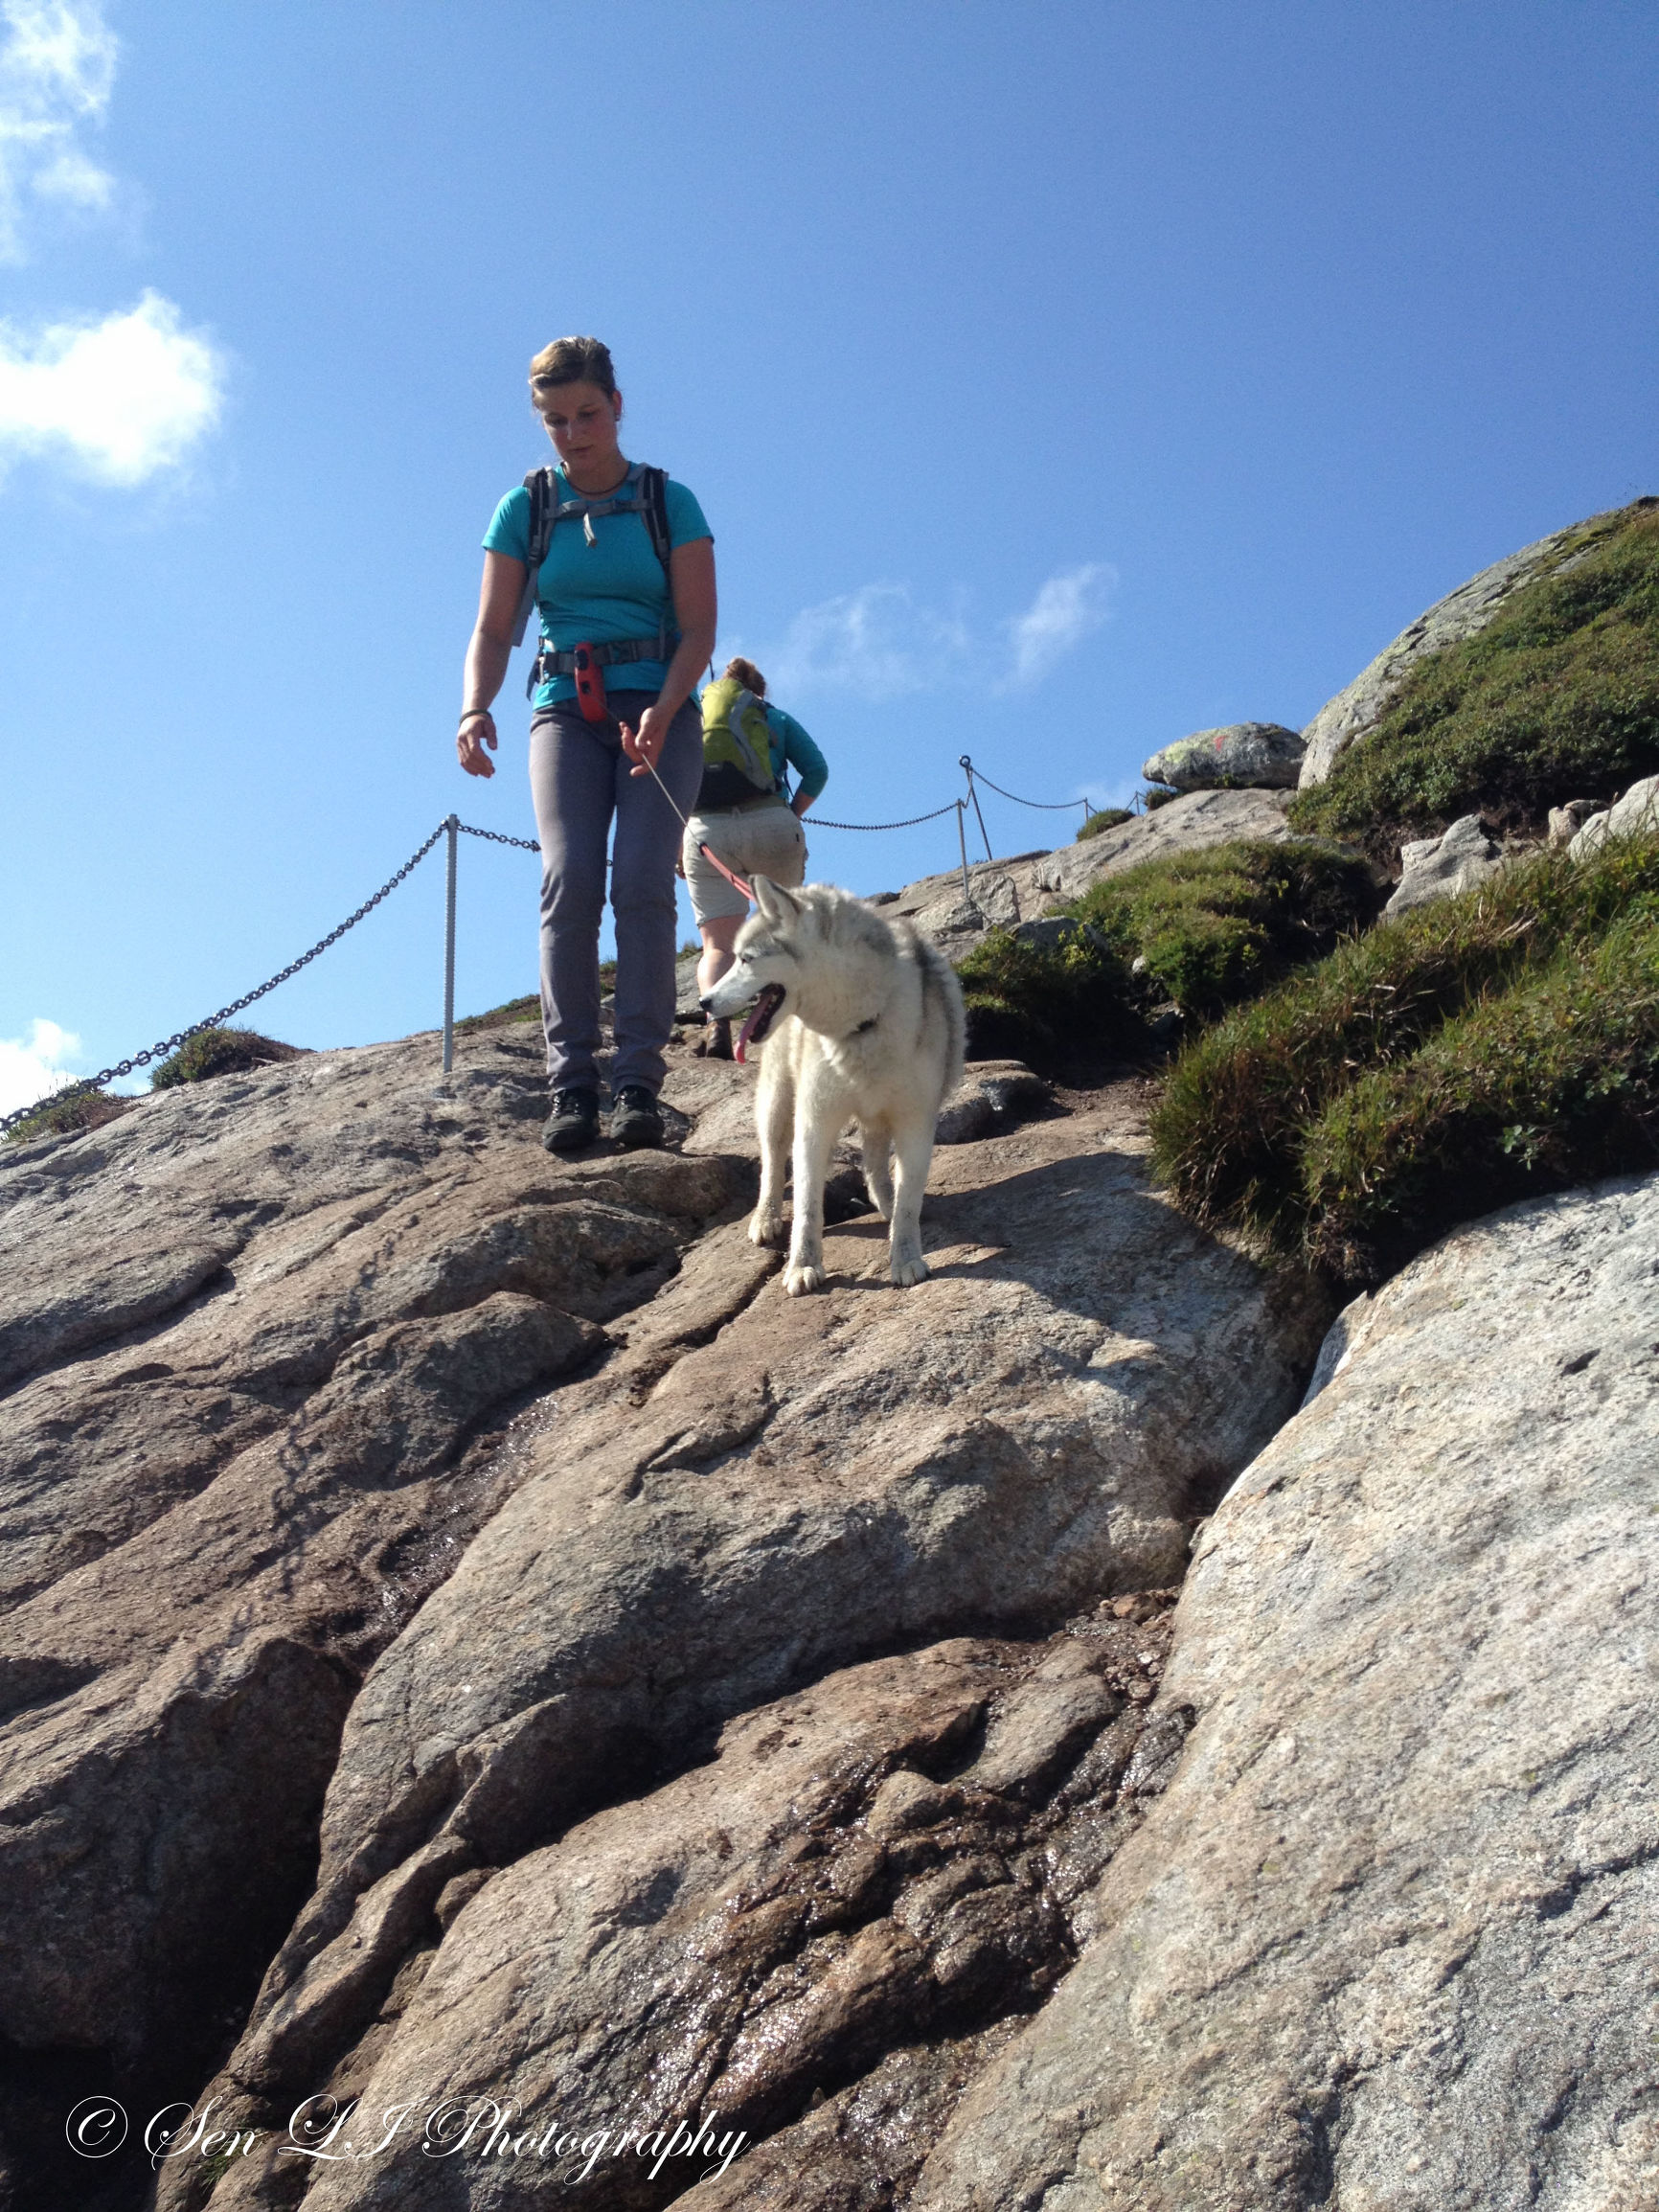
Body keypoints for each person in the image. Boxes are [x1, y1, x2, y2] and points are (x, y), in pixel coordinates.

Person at [457, 336, 716, 1152]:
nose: (573, 433)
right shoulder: (525, 508)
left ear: (617, 405)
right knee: (569, 879)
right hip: (564, 707)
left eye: (588, 414)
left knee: (642, 879)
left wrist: (669, 707)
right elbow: (495, 627)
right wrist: (473, 708)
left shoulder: (669, 502)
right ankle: (572, 1084)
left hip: (661, 709)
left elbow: (700, 625)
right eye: (556, 420)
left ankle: (638, 1080)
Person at [684, 657, 828, 1059]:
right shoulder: (773, 716)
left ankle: (718, 1029)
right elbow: (817, 770)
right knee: (788, 933)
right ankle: (791, 1031)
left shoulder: (691, 715)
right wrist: (790, 813)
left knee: (717, 946)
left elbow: (669, 778)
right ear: (757, 691)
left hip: (705, 832)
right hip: (772, 825)